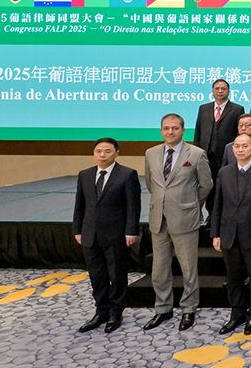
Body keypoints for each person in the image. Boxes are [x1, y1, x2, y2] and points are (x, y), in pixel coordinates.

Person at [144, 114, 213, 331]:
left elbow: (206, 185)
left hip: (185, 219)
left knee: (188, 269)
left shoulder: (196, 154)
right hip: (158, 219)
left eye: (175, 128)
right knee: (159, 269)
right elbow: (151, 184)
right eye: (166, 128)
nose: (170, 132)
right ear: (161, 131)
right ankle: (163, 308)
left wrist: (190, 204)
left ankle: (189, 309)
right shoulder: (151, 153)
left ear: (183, 131)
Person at [73, 138, 140, 334]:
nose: (102, 155)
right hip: (90, 234)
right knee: (97, 276)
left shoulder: (127, 174)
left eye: (107, 151)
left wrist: (131, 231)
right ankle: (101, 311)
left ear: (116, 153)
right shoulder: (85, 175)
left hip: (116, 235)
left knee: (117, 275)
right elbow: (80, 205)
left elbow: (133, 206)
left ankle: (116, 312)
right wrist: (77, 230)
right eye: (98, 151)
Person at [211, 134, 251, 336]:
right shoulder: (224, 172)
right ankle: (237, 313)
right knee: (233, 277)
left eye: (245, 146)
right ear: (232, 149)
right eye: (237, 146)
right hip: (228, 233)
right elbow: (217, 205)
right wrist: (215, 233)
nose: (240, 149)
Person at [194, 79, 244, 222]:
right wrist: (197, 150)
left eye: (223, 89)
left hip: (225, 155)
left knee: (224, 186)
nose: (220, 91)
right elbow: (198, 131)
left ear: (229, 91)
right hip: (205, 155)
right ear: (212, 91)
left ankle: (224, 215)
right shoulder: (204, 108)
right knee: (207, 185)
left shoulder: (237, 109)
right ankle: (211, 215)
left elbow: (238, 133)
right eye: (217, 89)